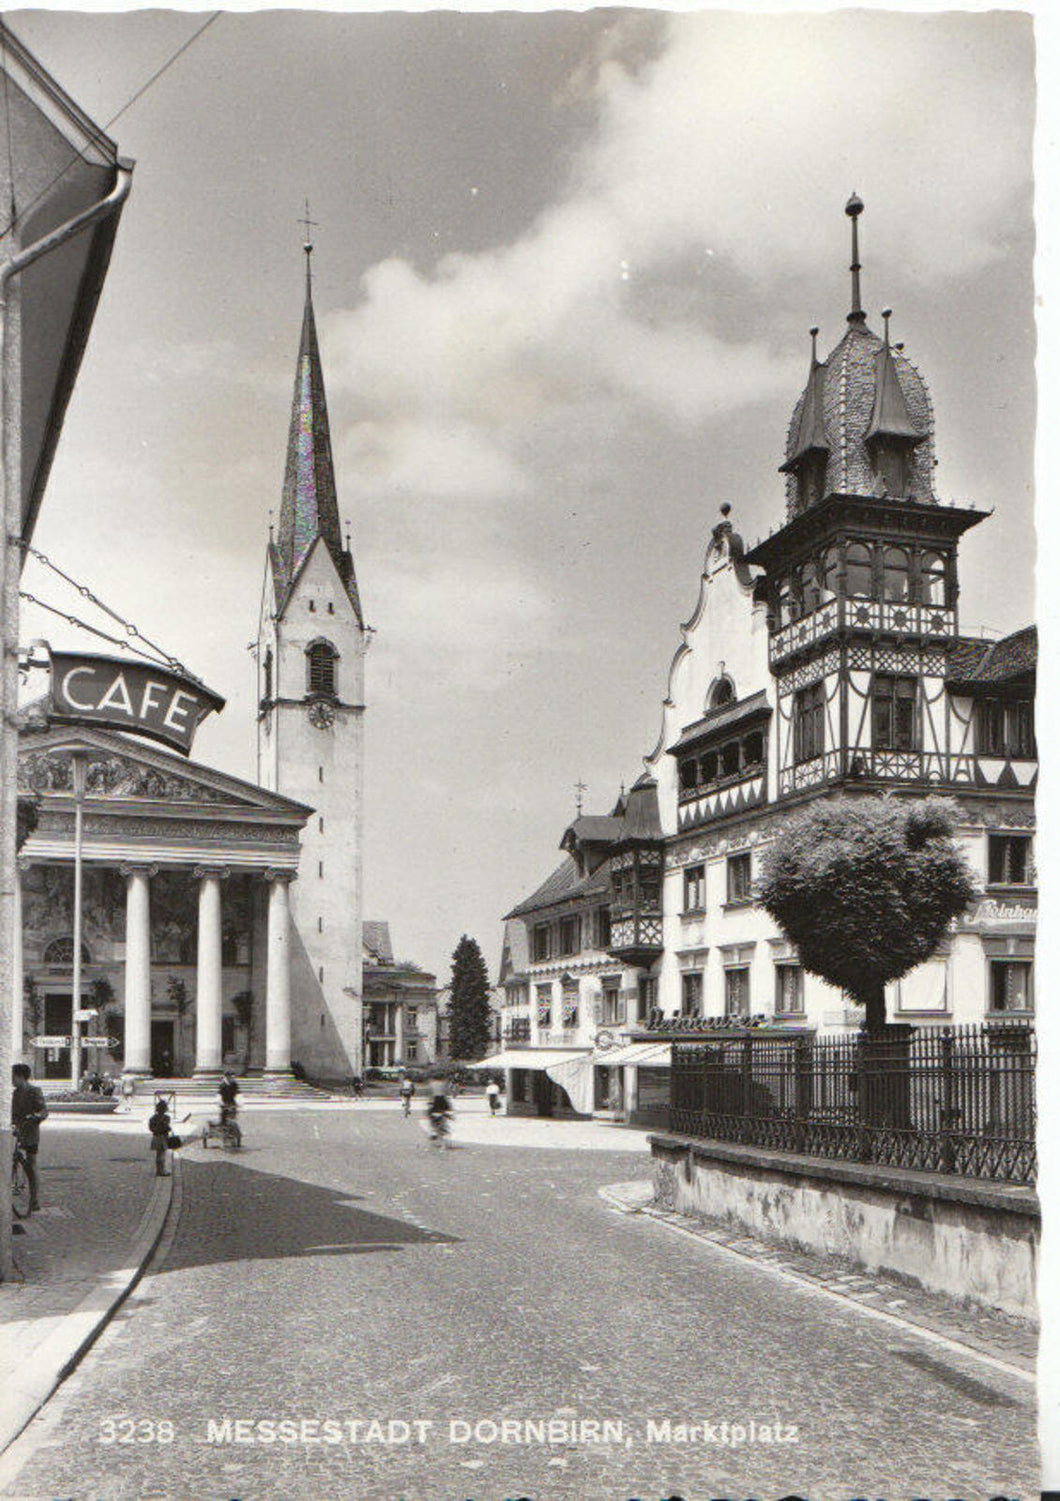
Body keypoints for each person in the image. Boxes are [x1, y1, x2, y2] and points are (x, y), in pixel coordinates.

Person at [11, 1063, 47, 1212]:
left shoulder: (34, 1090)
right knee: (12, 1159)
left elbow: (43, 1111)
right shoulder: (15, 1093)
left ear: (20, 1076)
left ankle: (34, 1199)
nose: (11, 1080)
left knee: (31, 1164)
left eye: (13, 1077)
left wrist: (35, 1117)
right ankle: (14, 1185)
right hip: (17, 1131)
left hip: (30, 1131)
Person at [148, 1096, 171, 1177]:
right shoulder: (167, 1118)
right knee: (162, 1154)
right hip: (163, 1137)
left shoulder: (152, 1118)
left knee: (158, 1155)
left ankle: (158, 1170)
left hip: (155, 1137)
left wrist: (156, 1130)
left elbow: (151, 1128)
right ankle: (162, 1170)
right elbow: (167, 1128)